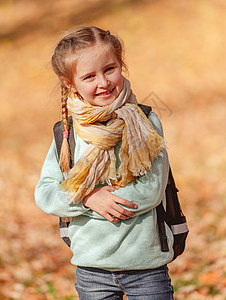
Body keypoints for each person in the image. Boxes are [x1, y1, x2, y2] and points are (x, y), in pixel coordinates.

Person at [35, 26, 174, 299]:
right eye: (89, 76)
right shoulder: (67, 133)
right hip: (92, 270)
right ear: (70, 83)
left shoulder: (145, 122)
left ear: (121, 66)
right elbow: (46, 192)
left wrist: (105, 200)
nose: (103, 82)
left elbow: (151, 189)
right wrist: (87, 198)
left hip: (145, 267)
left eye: (109, 69)